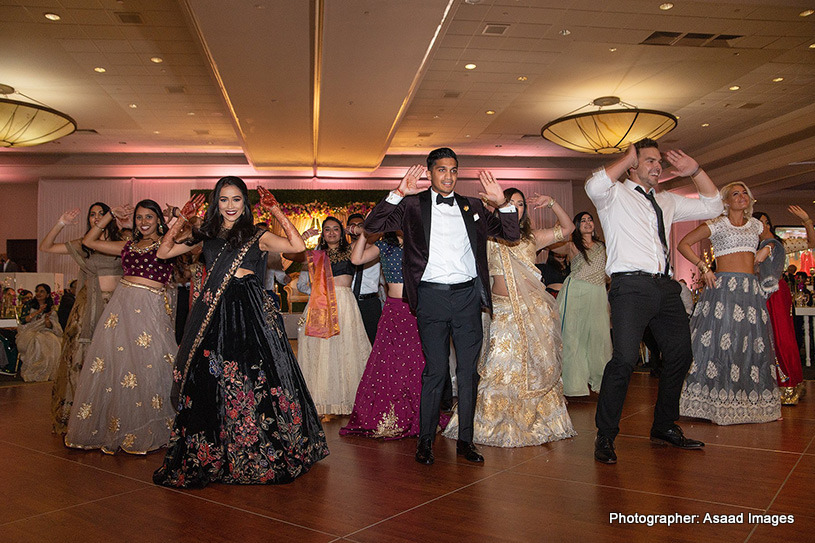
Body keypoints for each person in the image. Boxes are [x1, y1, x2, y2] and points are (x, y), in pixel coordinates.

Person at [153, 178, 328, 487]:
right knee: (211, 376)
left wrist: (276, 211)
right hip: (214, 313)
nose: (230, 206)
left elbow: (297, 247)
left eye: (236, 200)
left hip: (248, 310)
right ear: (215, 203)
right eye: (224, 200)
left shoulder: (256, 234)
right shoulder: (204, 234)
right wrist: (181, 219)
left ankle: (257, 448)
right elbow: (163, 253)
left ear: (245, 204)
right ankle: (216, 452)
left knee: (254, 376)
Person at [363, 147, 520, 465]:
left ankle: (466, 441)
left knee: (468, 373)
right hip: (431, 298)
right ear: (430, 173)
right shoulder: (411, 206)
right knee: (435, 371)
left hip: (466, 298)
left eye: (453, 170)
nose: (448, 176)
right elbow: (372, 225)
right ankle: (425, 443)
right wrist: (397, 192)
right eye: (441, 170)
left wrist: (501, 203)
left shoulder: (473, 205)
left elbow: (511, 233)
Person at [586, 138, 722, 464]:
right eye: (649, 161)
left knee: (680, 353)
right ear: (632, 165)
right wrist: (626, 156)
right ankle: (605, 435)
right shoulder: (614, 196)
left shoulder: (667, 201)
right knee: (624, 359)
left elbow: (714, 206)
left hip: (665, 288)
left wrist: (696, 171)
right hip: (630, 288)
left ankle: (663, 425)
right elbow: (594, 184)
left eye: (659, 161)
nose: (657, 166)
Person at [442, 187, 577, 447]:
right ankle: (491, 423)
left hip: (532, 310)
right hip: (501, 310)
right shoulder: (488, 237)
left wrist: (552, 202)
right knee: (498, 366)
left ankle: (531, 419)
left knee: (532, 367)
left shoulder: (531, 239)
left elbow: (568, 228)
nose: (515, 208)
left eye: (520, 204)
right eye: (510, 203)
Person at [65, 199, 184, 454]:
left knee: (149, 364)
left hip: (151, 309)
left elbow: (197, 232)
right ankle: (119, 426)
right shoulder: (127, 245)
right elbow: (89, 241)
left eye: (149, 217)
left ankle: (151, 426)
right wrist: (110, 216)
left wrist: (178, 214)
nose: (143, 222)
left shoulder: (168, 244)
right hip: (122, 307)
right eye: (139, 218)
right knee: (120, 366)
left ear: (158, 220)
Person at [678, 183, 781, 424]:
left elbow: (774, 243)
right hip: (722, 289)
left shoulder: (756, 225)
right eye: (736, 193)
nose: (742, 196)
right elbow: (683, 243)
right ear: (726, 201)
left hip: (749, 291)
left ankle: (745, 402)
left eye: (744, 192)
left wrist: (766, 249)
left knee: (748, 344)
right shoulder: (717, 224)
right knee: (718, 343)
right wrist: (704, 267)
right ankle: (712, 403)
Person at [340, 228, 439, 439]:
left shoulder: (423, 242)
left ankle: (420, 414)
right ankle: (391, 414)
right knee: (388, 364)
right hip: (394, 310)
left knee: (417, 363)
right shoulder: (385, 245)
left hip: (419, 310)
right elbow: (356, 259)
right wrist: (366, 233)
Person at [41, 203, 126, 434]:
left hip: (116, 308)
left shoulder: (123, 241)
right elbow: (46, 247)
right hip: (88, 308)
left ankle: (110, 416)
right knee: (83, 359)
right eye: (93, 214)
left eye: (102, 214)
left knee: (114, 359)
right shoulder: (83, 244)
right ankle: (82, 416)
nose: (97, 218)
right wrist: (61, 223)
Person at [294, 217, 372, 417]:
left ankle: (349, 400)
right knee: (321, 351)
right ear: (322, 233)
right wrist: (303, 237)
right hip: (320, 304)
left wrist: (355, 229)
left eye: (335, 229)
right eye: (327, 229)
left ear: (342, 231)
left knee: (346, 349)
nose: (331, 233)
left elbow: (371, 237)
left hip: (345, 304)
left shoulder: (352, 250)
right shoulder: (317, 254)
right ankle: (321, 400)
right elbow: (289, 254)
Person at [754, 208, 815, 405]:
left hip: (777, 294)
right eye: (760, 222)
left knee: (781, 335)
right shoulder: (750, 245)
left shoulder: (778, 244)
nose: (765, 225)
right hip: (756, 293)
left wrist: (806, 220)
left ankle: (788, 382)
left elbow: (811, 243)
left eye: (767, 221)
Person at [555, 211, 611, 397]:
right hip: (576, 292)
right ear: (577, 225)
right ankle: (573, 385)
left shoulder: (603, 246)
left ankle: (601, 380)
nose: (587, 223)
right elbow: (552, 246)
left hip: (597, 293)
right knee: (573, 338)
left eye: (590, 219)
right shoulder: (571, 245)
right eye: (583, 220)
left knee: (599, 337)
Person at [347, 213, 383, 344]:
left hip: (370, 302)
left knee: (376, 343)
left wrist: (362, 231)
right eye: (352, 226)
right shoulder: (343, 249)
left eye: (360, 226)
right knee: (351, 343)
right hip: (348, 301)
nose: (355, 229)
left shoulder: (375, 247)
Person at [17, 283, 62, 382]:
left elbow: (52, 326)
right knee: (38, 339)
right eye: (37, 291)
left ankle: (47, 371)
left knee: (53, 340)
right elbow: (23, 320)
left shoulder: (51, 309)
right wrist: (37, 312)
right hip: (28, 331)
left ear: (47, 294)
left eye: (42, 291)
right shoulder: (29, 305)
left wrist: (47, 321)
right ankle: (34, 371)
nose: (38, 293)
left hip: (45, 331)